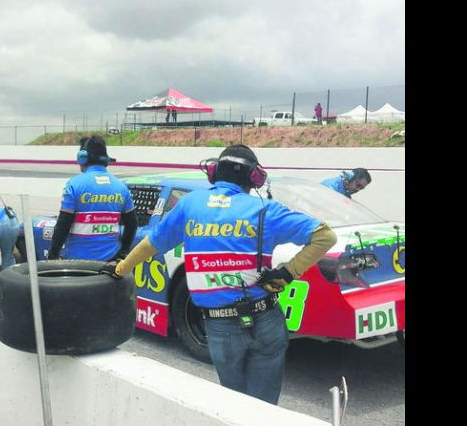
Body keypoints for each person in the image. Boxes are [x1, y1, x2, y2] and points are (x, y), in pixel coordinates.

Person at [104, 144, 336, 405]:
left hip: (219, 326)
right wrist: (287, 273)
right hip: (265, 319)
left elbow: (150, 245)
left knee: (235, 408)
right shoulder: (265, 210)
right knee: (266, 412)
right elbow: (325, 236)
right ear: (254, 178)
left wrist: (120, 269)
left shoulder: (189, 205)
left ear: (213, 172)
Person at [47, 135, 138, 262]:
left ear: (82, 158)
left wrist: (53, 255)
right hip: (110, 263)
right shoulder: (121, 187)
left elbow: (63, 225)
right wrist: (123, 252)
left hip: (78, 263)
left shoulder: (74, 185)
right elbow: (132, 224)